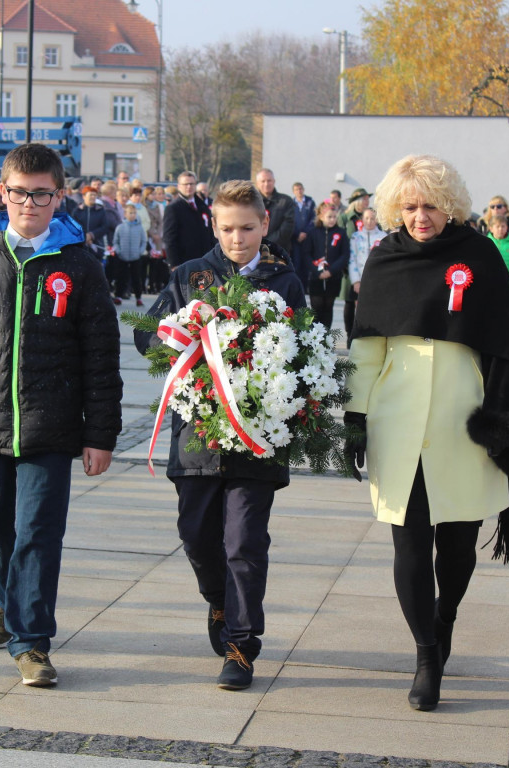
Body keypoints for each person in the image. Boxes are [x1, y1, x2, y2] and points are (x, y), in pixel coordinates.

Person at [344, 154, 509, 712]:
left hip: (464, 421)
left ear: (449, 206)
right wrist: (354, 417)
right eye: (409, 207)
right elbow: (366, 344)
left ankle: (444, 620)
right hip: (396, 420)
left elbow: (507, 341)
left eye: (429, 206)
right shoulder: (383, 260)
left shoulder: (478, 256)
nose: (419, 216)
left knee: (456, 543)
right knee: (408, 539)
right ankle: (427, 655)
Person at [0, 143, 122, 688]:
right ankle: (4, 601)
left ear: (59, 196)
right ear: (1, 193)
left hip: (50, 427)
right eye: (18, 192)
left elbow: (101, 356)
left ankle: (31, 641)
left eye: (40, 194)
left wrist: (101, 433)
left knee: (37, 532)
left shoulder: (80, 266)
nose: (28, 203)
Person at [134, 180, 305, 691]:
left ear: (265, 224)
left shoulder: (285, 281)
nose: (238, 239)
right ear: (213, 224)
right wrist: (183, 325)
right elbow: (148, 335)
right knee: (197, 537)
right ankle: (218, 601)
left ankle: (241, 645)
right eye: (228, 228)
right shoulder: (189, 277)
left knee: (244, 543)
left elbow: (302, 349)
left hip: (257, 437)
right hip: (198, 438)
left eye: (248, 228)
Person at [306, 202, 349, 328]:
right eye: (329, 217)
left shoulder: (341, 233)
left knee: (328, 307)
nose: (332, 220)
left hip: (333, 276)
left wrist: (331, 271)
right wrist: (317, 271)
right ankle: (314, 338)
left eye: (334, 217)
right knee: (316, 307)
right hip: (316, 276)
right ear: (321, 217)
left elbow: (344, 255)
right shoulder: (313, 232)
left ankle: (326, 338)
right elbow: (306, 254)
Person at [162, 171, 216, 269]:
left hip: (205, 259)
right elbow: (169, 238)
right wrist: (174, 264)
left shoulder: (202, 206)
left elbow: (210, 232)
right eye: (185, 184)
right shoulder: (173, 208)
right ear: (179, 186)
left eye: (191, 184)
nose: (189, 187)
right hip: (184, 260)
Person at [346, 207, 386, 338]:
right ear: (362, 220)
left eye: (372, 218)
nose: (369, 221)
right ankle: (354, 337)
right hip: (360, 280)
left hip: (377, 282)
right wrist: (356, 281)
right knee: (358, 311)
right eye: (367, 218)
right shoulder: (356, 237)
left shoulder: (383, 237)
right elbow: (352, 259)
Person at [112, 203, 148, 306]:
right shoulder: (120, 227)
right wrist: (118, 251)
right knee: (121, 278)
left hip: (135, 257)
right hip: (122, 257)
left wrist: (140, 251)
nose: (132, 215)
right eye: (130, 213)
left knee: (137, 278)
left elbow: (144, 241)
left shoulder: (140, 228)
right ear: (125, 214)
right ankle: (118, 296)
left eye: (134, 213)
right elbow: (116, 241)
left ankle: (138, 297)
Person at [254, 168, 294, 254]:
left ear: (274, 181)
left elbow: (287, 228)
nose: (266, 184)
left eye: (269, 180)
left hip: (279, 251)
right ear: (257, 183)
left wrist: (267, 244)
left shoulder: (286, 201)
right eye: (263, 181)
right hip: (255, 251)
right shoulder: (250, 202)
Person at [291, 182, 317, 288]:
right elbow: (290, 220)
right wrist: (297, 234)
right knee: (296, 263)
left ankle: (306, 287)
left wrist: (305, 232)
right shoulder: (291, 204)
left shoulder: (310, 202)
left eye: (300, 189)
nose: (299, 191)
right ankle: (296, 286)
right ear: (293, 191)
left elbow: (313, 218)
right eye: (297, 189)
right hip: (295, 239)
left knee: (306, 263)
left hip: (307, 238)